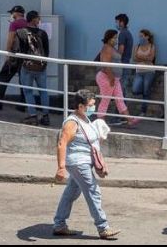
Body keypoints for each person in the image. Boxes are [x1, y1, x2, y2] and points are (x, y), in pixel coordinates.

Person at [53, 89, 120, 240]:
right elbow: (62, 143)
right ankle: (103, 227)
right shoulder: (72, 122)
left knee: (71, 192)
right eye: (90, 105)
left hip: (84, 162)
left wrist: (100, 163)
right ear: (80, 106)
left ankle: (59, 224)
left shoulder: (85, 119)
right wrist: (61, 167)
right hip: (78, 163)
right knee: (93, 191)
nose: (93, 107)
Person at [0, 5, 29, 111]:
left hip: (14, 56)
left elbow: (10, 40)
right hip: (25, 56)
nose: (11, 15)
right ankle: (23, 105)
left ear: (16, 13)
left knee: (2, 77)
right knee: (23, 81)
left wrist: (8, 54)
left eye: (12, 13)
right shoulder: (27, 23)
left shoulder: (14, 24)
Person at [95, 30, 137, 126]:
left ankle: (130, 119)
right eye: (114, 38)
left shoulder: (112, 48)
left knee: (119, 99)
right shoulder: (107, 48)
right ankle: (100, 122)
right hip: (107, 78)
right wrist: (111, 78)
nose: (116, 40)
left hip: (115, 78)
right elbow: (106, 65)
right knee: (105, 100)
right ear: (108, 38)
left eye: (116, 38)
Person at [18, 11, 51, 126]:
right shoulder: (43, 33)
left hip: (27, 66)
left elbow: (19, 49)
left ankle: (33, 116)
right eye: (38, 18)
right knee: (43, 91)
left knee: (28, 91)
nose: (39, 20)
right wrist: (44, 64)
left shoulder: (21, 32)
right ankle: (46, 116)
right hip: (41, 66)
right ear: (33, 19)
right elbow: (47, 51)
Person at [131, 29, 156, 117]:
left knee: (146, 92)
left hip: (149, 71)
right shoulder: (136, 46)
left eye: (142, 36)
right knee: (135, 90)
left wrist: (140, 57)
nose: (140, 38)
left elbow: (151, 59)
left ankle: (143, 111)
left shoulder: (152, 46)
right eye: (139, 36)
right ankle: (145, 93)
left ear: (147, 37)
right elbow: (134, 58)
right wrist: (145, 57)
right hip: (139, 71)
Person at [114, 14, 134, 96]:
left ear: (121, 23)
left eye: (117, 22)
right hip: (126, 62)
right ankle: (122, 107)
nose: (116, 24)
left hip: (122, 63)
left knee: (120, 87)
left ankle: (121, 108)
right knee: (122, 87)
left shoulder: (122, 34)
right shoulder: (128, 33)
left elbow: (121, 50)